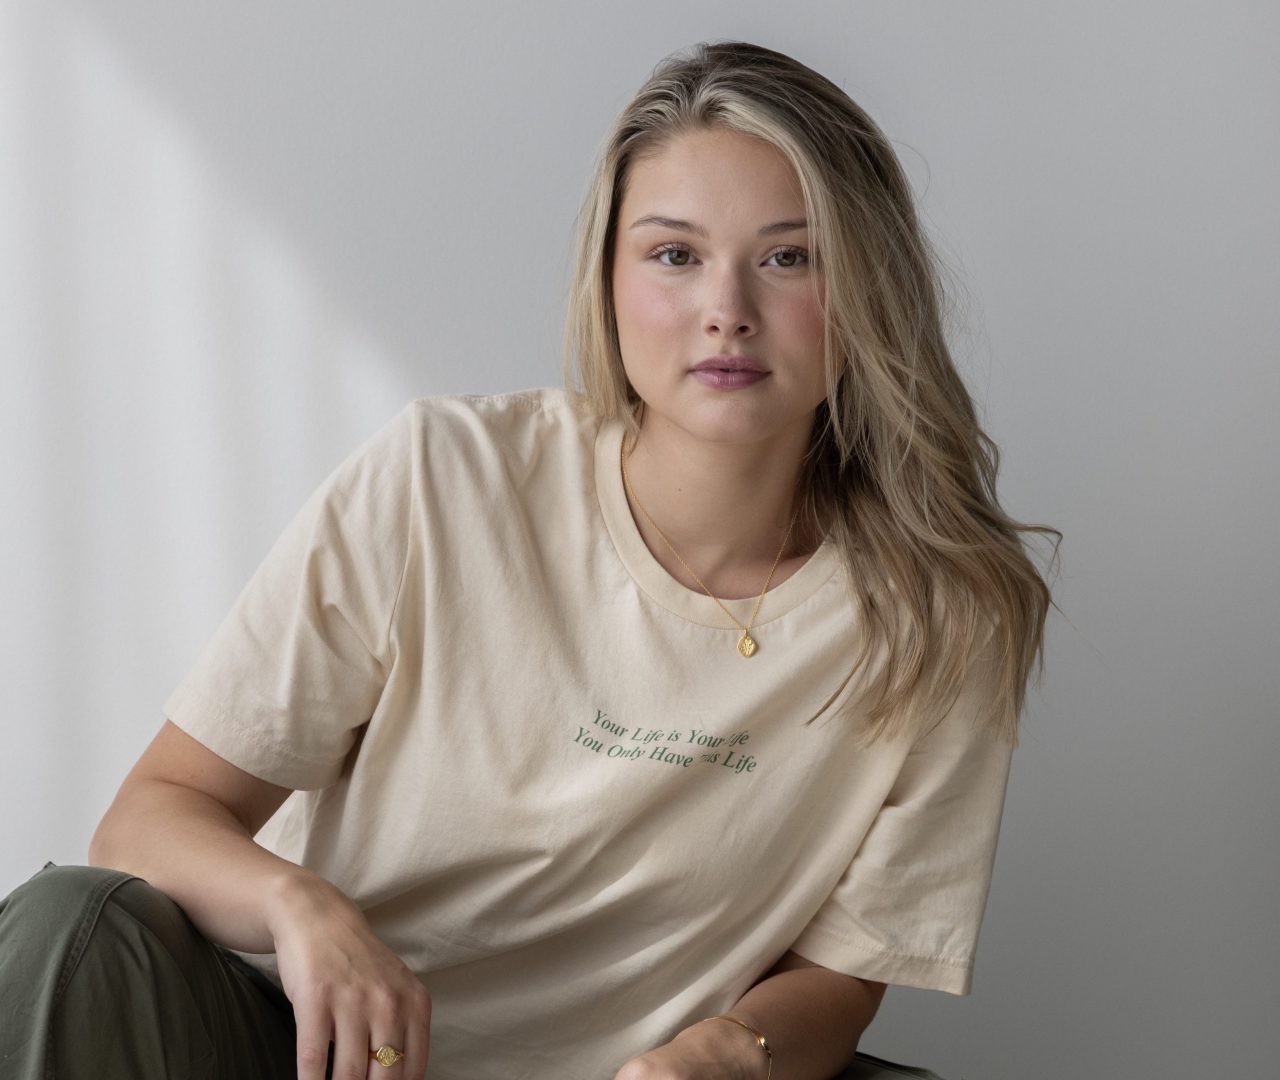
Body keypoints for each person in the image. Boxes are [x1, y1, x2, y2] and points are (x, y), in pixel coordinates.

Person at [0, 39, 1060, 1080]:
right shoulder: (443, 479)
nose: (726, 312)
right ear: (608, 279)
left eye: (789, 257)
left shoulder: (942, 614)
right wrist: (300, 906)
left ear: (869, 286)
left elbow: (843, 972)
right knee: (70, 926)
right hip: (309, 1052)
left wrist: (726, 1053)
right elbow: (151, 814)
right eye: (674, 255)